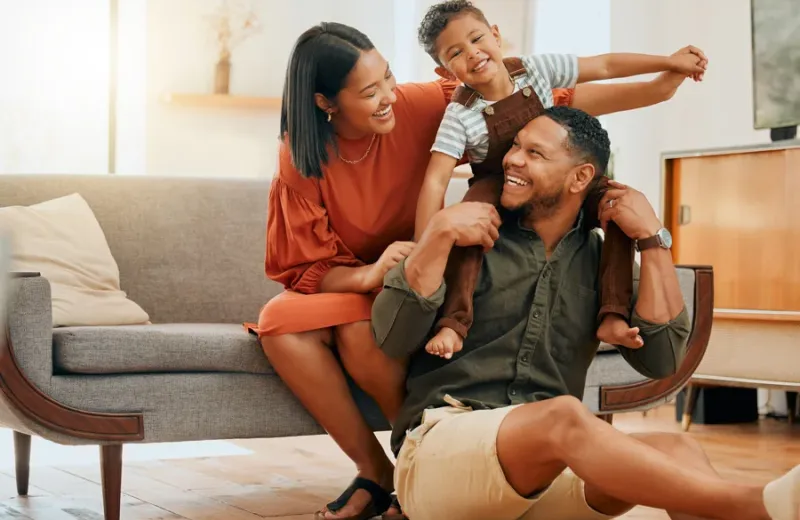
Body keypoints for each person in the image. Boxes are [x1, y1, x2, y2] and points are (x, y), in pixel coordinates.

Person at [247, 20, 700, 520]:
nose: (389, 98)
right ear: (326, 103)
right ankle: (387, 465)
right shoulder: (304, 157)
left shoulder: (429, 102)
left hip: (440, 262)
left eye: (390, 79)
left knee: (679, 456)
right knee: (286, 323)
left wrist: (662, 86)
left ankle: (419, 459)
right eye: (369, 92)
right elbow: (307, 263)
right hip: (389, 270)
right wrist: (402, 257)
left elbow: (556, 101)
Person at [371, 106, 800, 520]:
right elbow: (393, 336)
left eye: (534, 153)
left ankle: (758, 512)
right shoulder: (467, 234)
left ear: (581, 177)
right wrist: (440, 231)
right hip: (442, 454)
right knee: (564, 415)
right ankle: (757, 507)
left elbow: (663, 359)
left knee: (679, 450)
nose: (513, 160)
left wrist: (653, 240)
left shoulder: (603, 263)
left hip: (544, 472)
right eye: (516, 146)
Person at [413, 0, 708, 360]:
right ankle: (454, 322)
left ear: (495, 34)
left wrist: (668, 62)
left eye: (476, 39)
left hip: (557, 171)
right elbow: (434, 182)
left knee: (619, 204)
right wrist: (424, 244)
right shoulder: (459, 115)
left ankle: (613, 314)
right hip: (497, 180)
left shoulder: (535, 69)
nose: (473, 54)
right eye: (456, 53)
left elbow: (604, 65)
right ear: (445, 72)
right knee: (469, 227)